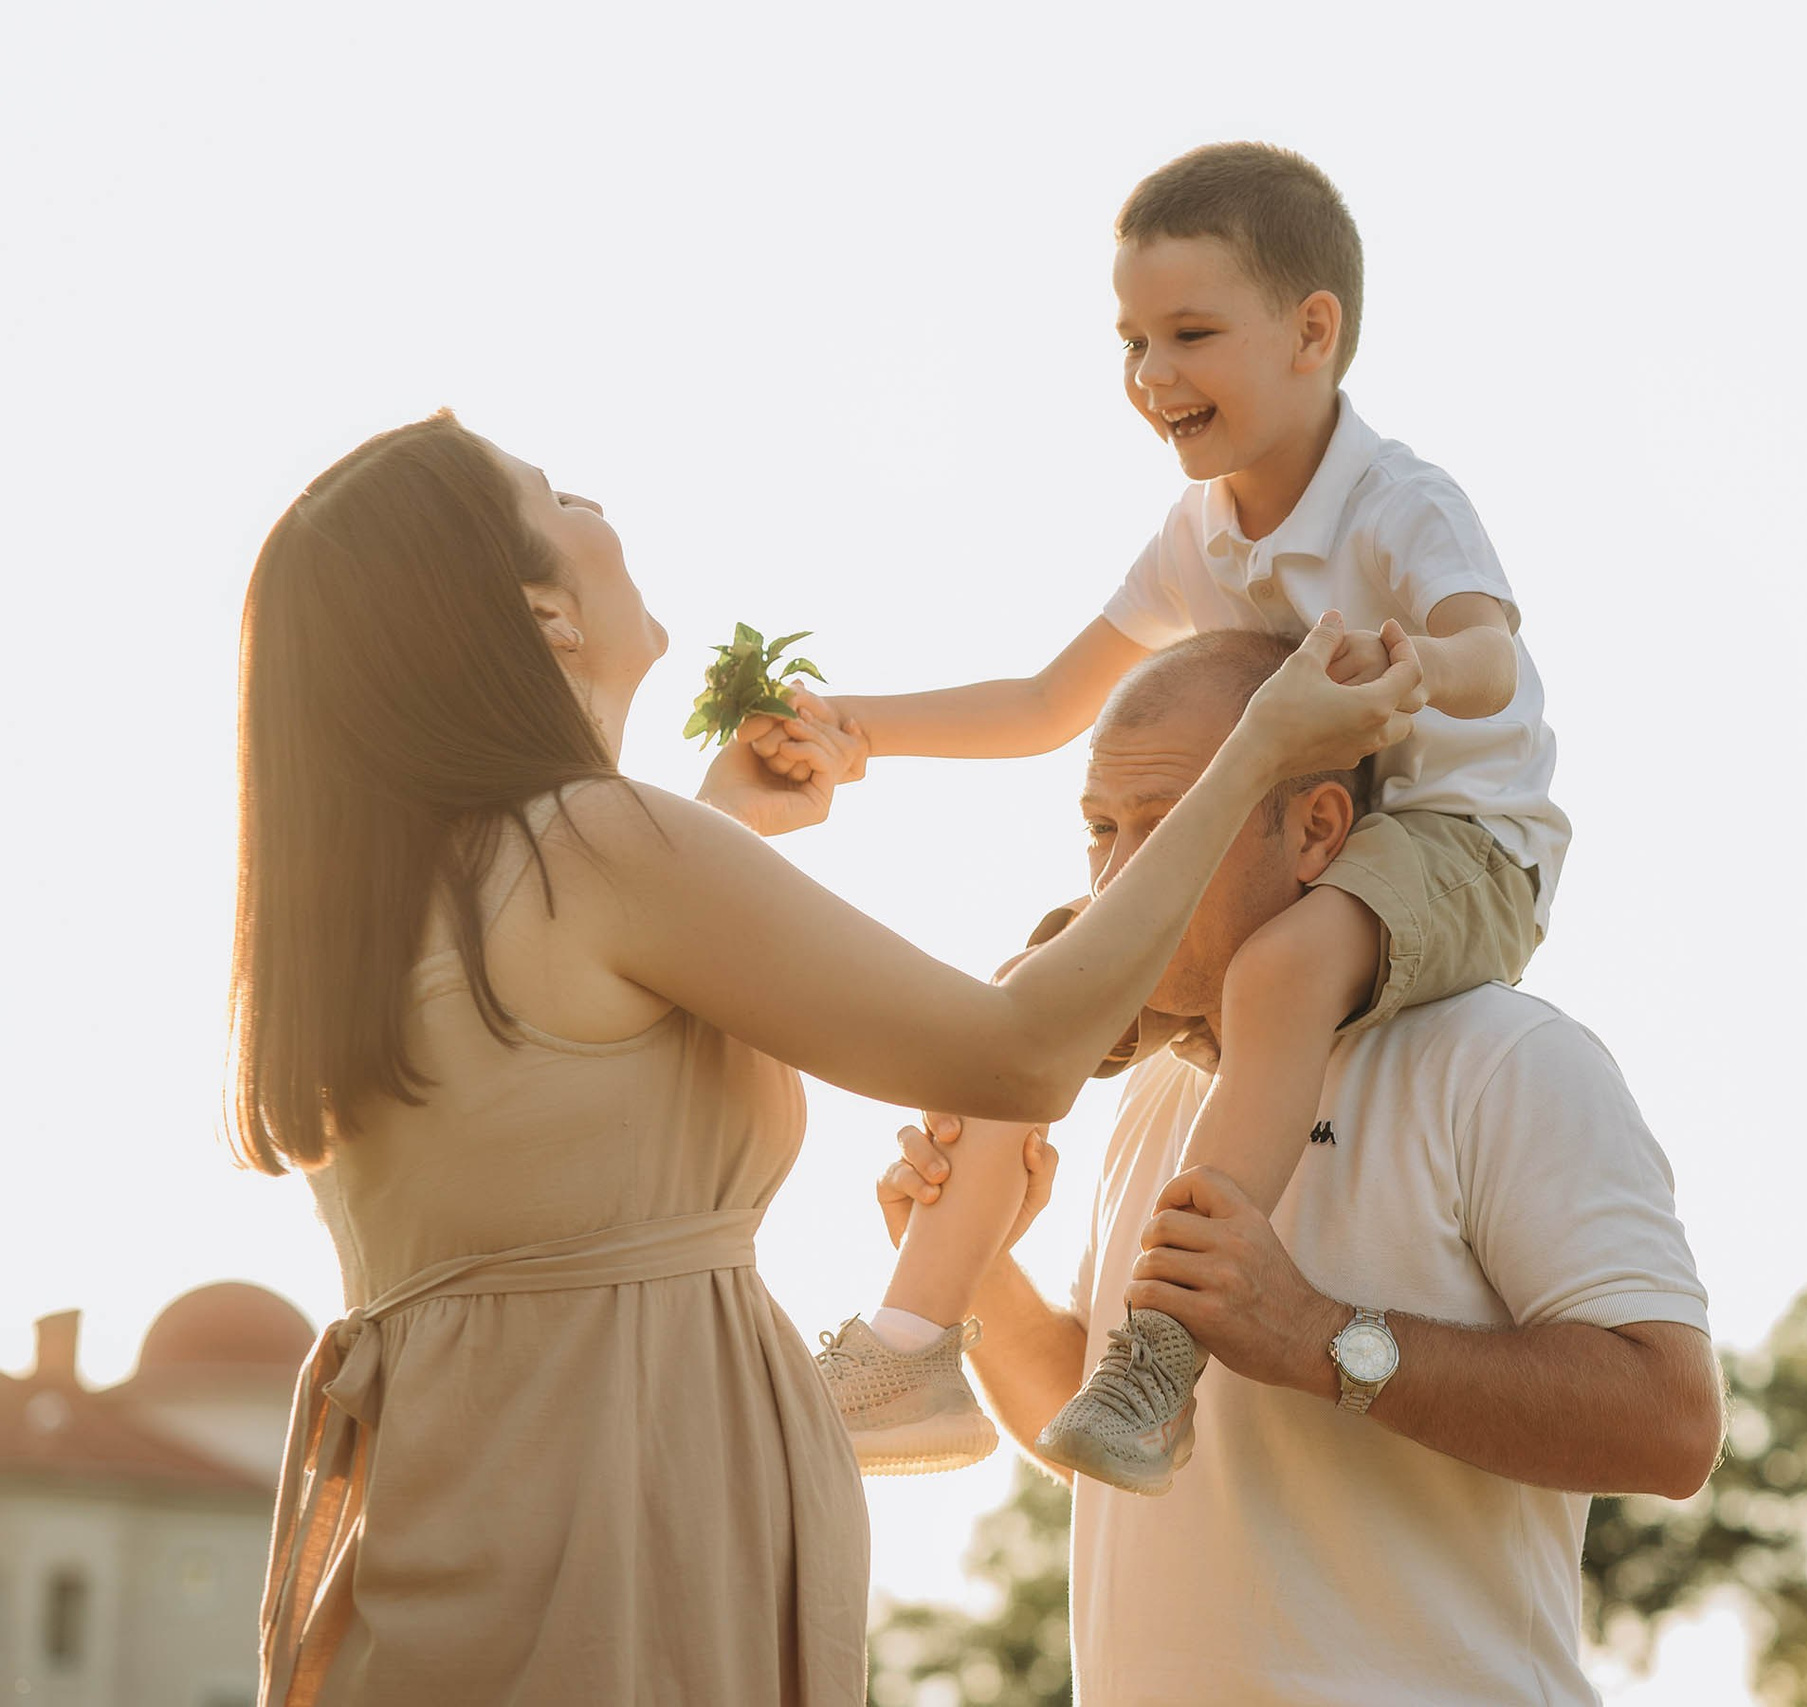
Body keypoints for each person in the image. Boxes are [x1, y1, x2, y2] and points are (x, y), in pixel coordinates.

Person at [228, 412, 1418, 1704]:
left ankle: (908, 1348)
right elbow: (1021, 1052)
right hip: (607, 1555)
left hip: (490, 1523)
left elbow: (580, 1062)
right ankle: (908, 1352)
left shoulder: (426, 898)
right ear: (546, 617)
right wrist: (1258, 747)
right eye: (560, 496)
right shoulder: (594, 846)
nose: (598, 507)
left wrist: (724, 818)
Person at [800, 141, 1570, 1496]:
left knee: (1279, 967)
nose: (1154, 377)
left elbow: (1490, 657)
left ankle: (1157, 1361)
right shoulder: (1197, 532)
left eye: (1191, 334)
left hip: (1457, 841)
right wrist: (863, 722)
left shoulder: (1400, 502)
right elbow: (1051, 697)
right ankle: (908, 1343)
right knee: (1033, 994)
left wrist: (1408, 669)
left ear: (1311, 331)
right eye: (1132, 340)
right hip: (1266, 841)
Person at [873, 631, 1721, 1706]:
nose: (1118, 875)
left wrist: (1319, 1340)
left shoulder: (1506, 1057)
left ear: (1318, 828)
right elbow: (1108, 1441)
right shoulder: (1159, 1089)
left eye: (1171, 821)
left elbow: (1671, 1424)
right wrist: (981, 1270)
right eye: (1100, 830)